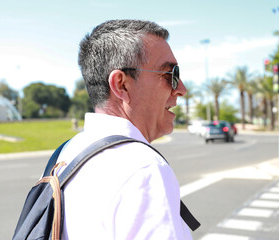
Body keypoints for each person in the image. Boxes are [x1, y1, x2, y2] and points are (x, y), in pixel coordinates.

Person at [57, 19, 192, 239]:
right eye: (171, 74)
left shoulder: (66, 154)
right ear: (121, 84)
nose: (181, 89)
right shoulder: (144, 168)